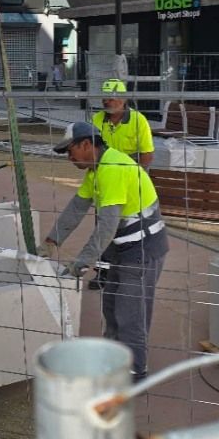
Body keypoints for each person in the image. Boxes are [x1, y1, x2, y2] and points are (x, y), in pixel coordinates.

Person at [40, 121, 168, 382]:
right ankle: (114, 361)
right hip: (121, 248)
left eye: (70, 150)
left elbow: (107, 225)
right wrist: (52, 240)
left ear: (87, 144)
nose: (69, 157)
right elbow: (77, 208)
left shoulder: (112, 168)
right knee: (111, 309)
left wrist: (82, 263)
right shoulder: (95, 171)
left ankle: (135, 373)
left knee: (129, 313)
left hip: (142, 248)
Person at [90, 78, 155, 290]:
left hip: (129, 183)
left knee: (132, 229)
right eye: (105, 97)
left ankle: (130, 271)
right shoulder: (97, 119)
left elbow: (146, 154)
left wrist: (136, 180)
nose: (107, 101)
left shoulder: (138, 120)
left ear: (123, 98)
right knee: (104, 227)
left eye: (112, 97)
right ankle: (102, 272)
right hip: (106, 184)